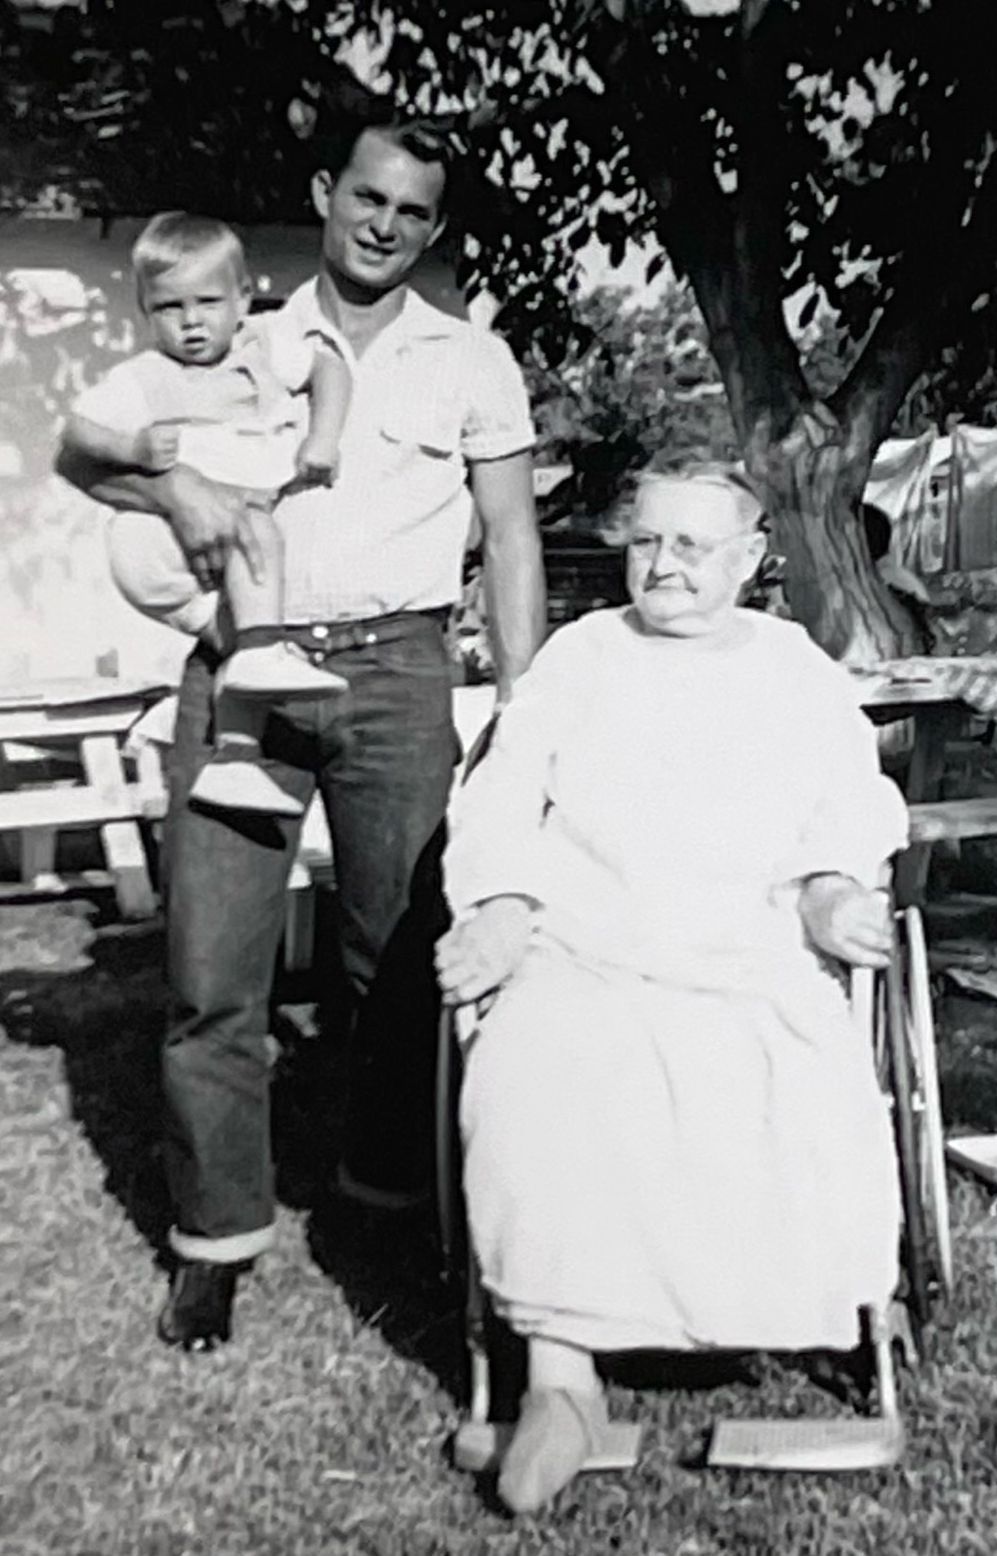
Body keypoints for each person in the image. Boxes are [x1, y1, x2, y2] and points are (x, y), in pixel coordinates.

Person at [58, 117, 547, 1350]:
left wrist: (529, 706)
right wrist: (175, 487)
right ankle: (214, 1238)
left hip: (398, 671)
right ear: (327, 192)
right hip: (243, 669)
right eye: (368, 197)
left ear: (435, 228)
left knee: (400, 960)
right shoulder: (243, 336)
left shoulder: (472, 357)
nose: (385, 225)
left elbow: (512, 535)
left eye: (414, 212)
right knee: (212, 971)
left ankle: (389, 1200)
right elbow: (86, 455)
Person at [437, 464, 909, 1515]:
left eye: (692, 546)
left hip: (752, 944)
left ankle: (795, 1313)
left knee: (792, 1077)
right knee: (536, 1064)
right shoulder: (579, 656)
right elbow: (501, 791)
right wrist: (502, 902)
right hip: (589, 938)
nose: (664, 566)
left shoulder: (793, 668)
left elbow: (849, 799)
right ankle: (561, 1382)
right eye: (647, 542)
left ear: (749, 560)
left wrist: (833, 889)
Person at [66, 211, 355, 817]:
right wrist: (132, 447)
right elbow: (78, 432)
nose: (191, 321)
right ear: (145, 310)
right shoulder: (145, 376)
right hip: (154, 542)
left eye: (208, 302)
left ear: (244, 298)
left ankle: (235, 758)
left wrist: (323, 437)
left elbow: (331, 367)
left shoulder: (265, 344)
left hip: (194, 563)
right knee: (258, 561)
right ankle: (262, 655)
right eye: (169, 307)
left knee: (241, 645)